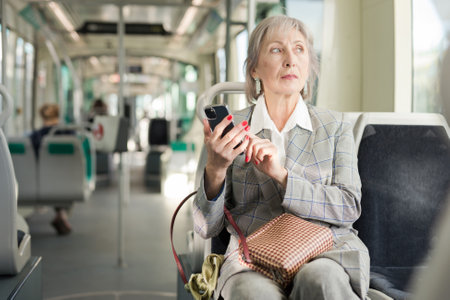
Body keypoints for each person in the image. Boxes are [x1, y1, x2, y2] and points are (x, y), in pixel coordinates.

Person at [192, 15, 370, 300]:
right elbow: (204, 227)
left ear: (309, 64)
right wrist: (215, 169)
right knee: (251, 293)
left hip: (326, 250)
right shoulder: (229, 131)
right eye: (277, 50)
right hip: (254, 257)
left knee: (321, 279)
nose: (290, 60)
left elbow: (349, 207)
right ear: (253, 68)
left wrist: (283, 177)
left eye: (299, 49)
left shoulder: (335, 127)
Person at [30, 103, 72, 235]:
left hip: (40, 179)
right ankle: (62, 215)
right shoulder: (68, 133)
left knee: (55, 182)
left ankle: (61, 215)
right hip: (66, 177)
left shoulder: (35, 136)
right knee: (63, 187)